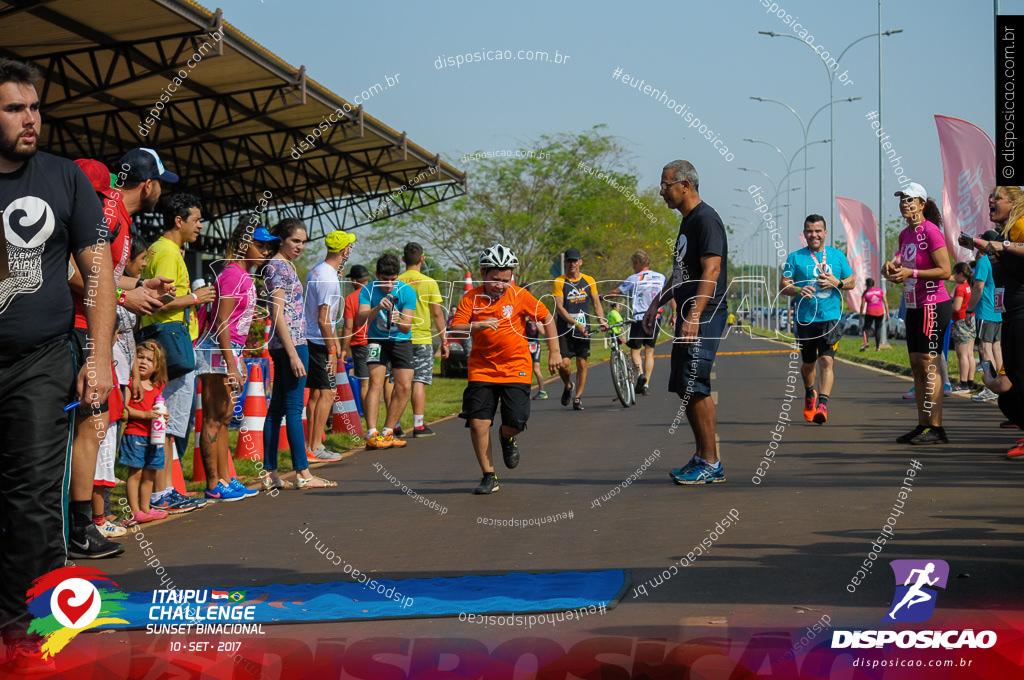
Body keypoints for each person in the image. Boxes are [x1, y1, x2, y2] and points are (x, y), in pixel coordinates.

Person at [0, 57, 115, 671]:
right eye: (15, 108)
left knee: (32, 499)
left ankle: (35, 633)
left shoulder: (65, 178)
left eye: (34, 108)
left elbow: (97, 274)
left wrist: (97, 359)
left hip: (41, 359)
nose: (30, 120)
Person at [642, 160, 729, 484]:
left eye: (665, 184)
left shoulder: (706, 220)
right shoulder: (687, 222)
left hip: (703, 314)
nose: (661, 190)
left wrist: (694, 316)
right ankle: (702, 456)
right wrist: (657, 302)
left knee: (696, 383)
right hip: (690, 314)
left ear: (685, 186)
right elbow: (681, 275)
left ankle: (711, 463)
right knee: (684, 385)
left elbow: (712, 271)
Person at [451, 245, 561, 494]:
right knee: (478, 423)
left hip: (516, 368)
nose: (500, 285)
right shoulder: (471, 298)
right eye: (494, 279)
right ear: (483, 273)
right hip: (482, 369)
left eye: (505, 279)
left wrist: (555, 351)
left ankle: (507, 436)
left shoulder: (520, 295)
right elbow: (454, 329)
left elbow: (547, 318)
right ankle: (489, 475)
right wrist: (477, 327)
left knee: (516, 422)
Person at [141, 192, 217, 513]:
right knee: (169, 420)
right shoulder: (170, 254)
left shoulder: (158, 249)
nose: (200, 225)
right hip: (172, 340)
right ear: (179, 221)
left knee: (166, 417)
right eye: (196, 220)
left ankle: (163, 489)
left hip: (161, 339)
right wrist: (196, 298)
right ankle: (163, 491)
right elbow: (162, 301)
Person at [195, 221, 280, 499]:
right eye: (260, 245)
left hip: (231, 351)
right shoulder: (232, 275)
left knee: (225, 417)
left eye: (268, 246)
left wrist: (236, 359)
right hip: (218, 350)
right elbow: (221, 320)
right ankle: (213, 484)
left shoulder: (243, 276)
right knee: (213, 418)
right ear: (244, 245)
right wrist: (231, 363)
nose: (266, 251)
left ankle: (226, 478)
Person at [262, 218, 336, 489]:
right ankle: (303, 473)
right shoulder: (279, 267)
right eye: (295, 240)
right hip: (292, 344)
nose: (300, 246)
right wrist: (293, 353)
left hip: (283, 344)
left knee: (277, 409)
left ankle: (271, 474)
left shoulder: (277, 266)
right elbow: (277, 312)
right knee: (293, 409)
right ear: (280, 240)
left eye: (303, 241)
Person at [883, 183, 952, 445]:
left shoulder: (932, 232)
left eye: (909, 199)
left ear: (922, 204)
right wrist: (891, 269)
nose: (904, 204)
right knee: (916, 366)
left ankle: (936, 427)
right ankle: (923, 424)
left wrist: (911, 273)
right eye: (901, 199)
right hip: (913, 306)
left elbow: (945, 271)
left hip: (933, 305)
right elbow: (902, 263)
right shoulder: (905, 235)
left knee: (929, 365)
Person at [93, 238, 150, 538]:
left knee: (112, 438)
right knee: (101, 440)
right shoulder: (106, 286)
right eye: (139, 258)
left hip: (123, 371)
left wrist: (134, 375)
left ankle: (104, 509)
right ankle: (96, 515)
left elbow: (130, 339)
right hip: (107, 368)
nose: (142, 263)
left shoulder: (131, 288)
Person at [963, 185, 1024, 457]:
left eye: (997, 198)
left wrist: (1001, 245)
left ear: (1012, 203)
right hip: (1009, 314)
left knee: (1017, 379)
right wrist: (979, 244)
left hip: (1022, 312)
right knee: (1008, 389)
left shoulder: (1020, 225)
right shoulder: (1004, 232)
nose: (991, 200)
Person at [780, 215, 855, 425]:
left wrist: (837, 283)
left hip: (830, 317)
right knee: (808, 364)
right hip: (805, 319)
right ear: (804, 233)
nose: (814, 235)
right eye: (810, 231)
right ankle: (809, 392)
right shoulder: (795, 258)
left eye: (818, 231)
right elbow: (783, 285)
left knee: (826, 360)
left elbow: (851, 282)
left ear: (826, 233)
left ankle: (823, 404)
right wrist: (797, 289)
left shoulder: (837, 256)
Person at [357, 253, 417, 449]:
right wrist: (376, 308)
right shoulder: (368, 290)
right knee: (376, 383)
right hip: (377, 340)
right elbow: (360, 320)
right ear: (377, 275)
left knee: (405, 386)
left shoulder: (407, 292)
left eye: (393, 280)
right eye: (385, 280)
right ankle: (372, 433)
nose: (389, 284)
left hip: (401, 341)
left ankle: (388, 431)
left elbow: (407, 328)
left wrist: (399, 319)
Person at [303, 230, 355, 459]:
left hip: (311, 338)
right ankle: (315, 447)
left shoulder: (318, 270)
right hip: (319, 340)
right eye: (350, 247)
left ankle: (311, 446)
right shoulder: (328, 278)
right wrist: (332, 350)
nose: (351, 250)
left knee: (317, 393)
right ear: (345, 251)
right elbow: (324, 319)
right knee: (328, 392)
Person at [397, 242, 449, 437]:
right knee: (419, 380)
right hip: (423, 339)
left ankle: (394, 426)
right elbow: (437, 314)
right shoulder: (429, 282)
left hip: (400, 337)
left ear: (403, 260)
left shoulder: (397, 282)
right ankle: (418, 425)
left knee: (397, 381)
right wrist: (444, 340)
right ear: (422, 259)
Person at [604, 249, 667, 395]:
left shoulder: (634, 278)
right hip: (656, 318)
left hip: (640, 318)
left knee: (635, 350)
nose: (633, 267)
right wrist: (675, 314)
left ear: (638, 263)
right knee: (650, 351)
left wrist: (602, 296)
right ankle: (646, 385)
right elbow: (671, 296)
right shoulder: (660, 277)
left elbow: (617, 292)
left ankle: (639, 375)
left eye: (633, 264)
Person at [120, 341, 170, 522]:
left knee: (150, 474)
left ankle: (146, 508)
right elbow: (124, 409)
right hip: (135, 434)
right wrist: (144, 414)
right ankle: (135, 511)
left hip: (155, 438)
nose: (143, 362)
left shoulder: (158, 386)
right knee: (136, 473)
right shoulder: (131, 384)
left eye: (149, 360)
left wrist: (165, 414)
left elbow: (161, 406)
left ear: (157, 367)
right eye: (140, 357)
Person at [553, 247, 608, 410]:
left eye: (575, 261)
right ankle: (568, 385)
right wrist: (576, 323)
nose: (572, 264)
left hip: (583, 329)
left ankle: (578, 397)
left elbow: (597, 304)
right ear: (565, 262)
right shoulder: (559, 281)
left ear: (580, 262)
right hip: (565, 328)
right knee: (564, 365)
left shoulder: (590, 280)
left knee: (582, 363)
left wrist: (601, 320)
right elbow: (559, 307)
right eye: (569, 261)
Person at [967, 232, 1003, 403]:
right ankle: (1001, 384)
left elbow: (978, 287)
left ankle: (991, 387)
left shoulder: (983, 261)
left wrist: (969, 310)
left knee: (984, 349)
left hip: (986, 311)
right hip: (999, 311)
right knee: (997, 349)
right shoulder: (999, 260)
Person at [340, 264, 371, 415]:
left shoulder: (351, 299)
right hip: (380, 342)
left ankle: (368, 418)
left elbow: (347, 327)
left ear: (354, 280)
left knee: (364, 383)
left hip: (360, 344)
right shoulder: (377, 293)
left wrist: (343, 349)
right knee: (381, 382)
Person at [949, 262, 976, 394]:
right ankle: (970, 381)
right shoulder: (969, 287)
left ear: (961, 274)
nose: (954, 276)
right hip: (971, 320)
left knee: (962, 354)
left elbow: (956, 307)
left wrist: (949, 304)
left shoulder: (960, 288)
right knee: (970, 353)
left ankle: (963, 383)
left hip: (961, 321)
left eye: (955, 273)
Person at [859, 277, 889, 351]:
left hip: (870, 312)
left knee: (866, 328)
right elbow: (885, 302)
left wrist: (860, 316)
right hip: (880, 312)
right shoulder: (880, 291)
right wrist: (887, 313)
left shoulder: (866, 293)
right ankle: (878, 347)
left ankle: (866, 342)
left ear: (866, 284)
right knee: (878, 329)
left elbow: (862, 305)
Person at [524, 316, 547, 399]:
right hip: (525, 345)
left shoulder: (537, 321)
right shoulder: (523, 320)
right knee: (526, 369)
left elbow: (542, 332)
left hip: (535, 345)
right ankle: (526, 391)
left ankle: (542, 391)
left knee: (536, 369)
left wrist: (535, 321)